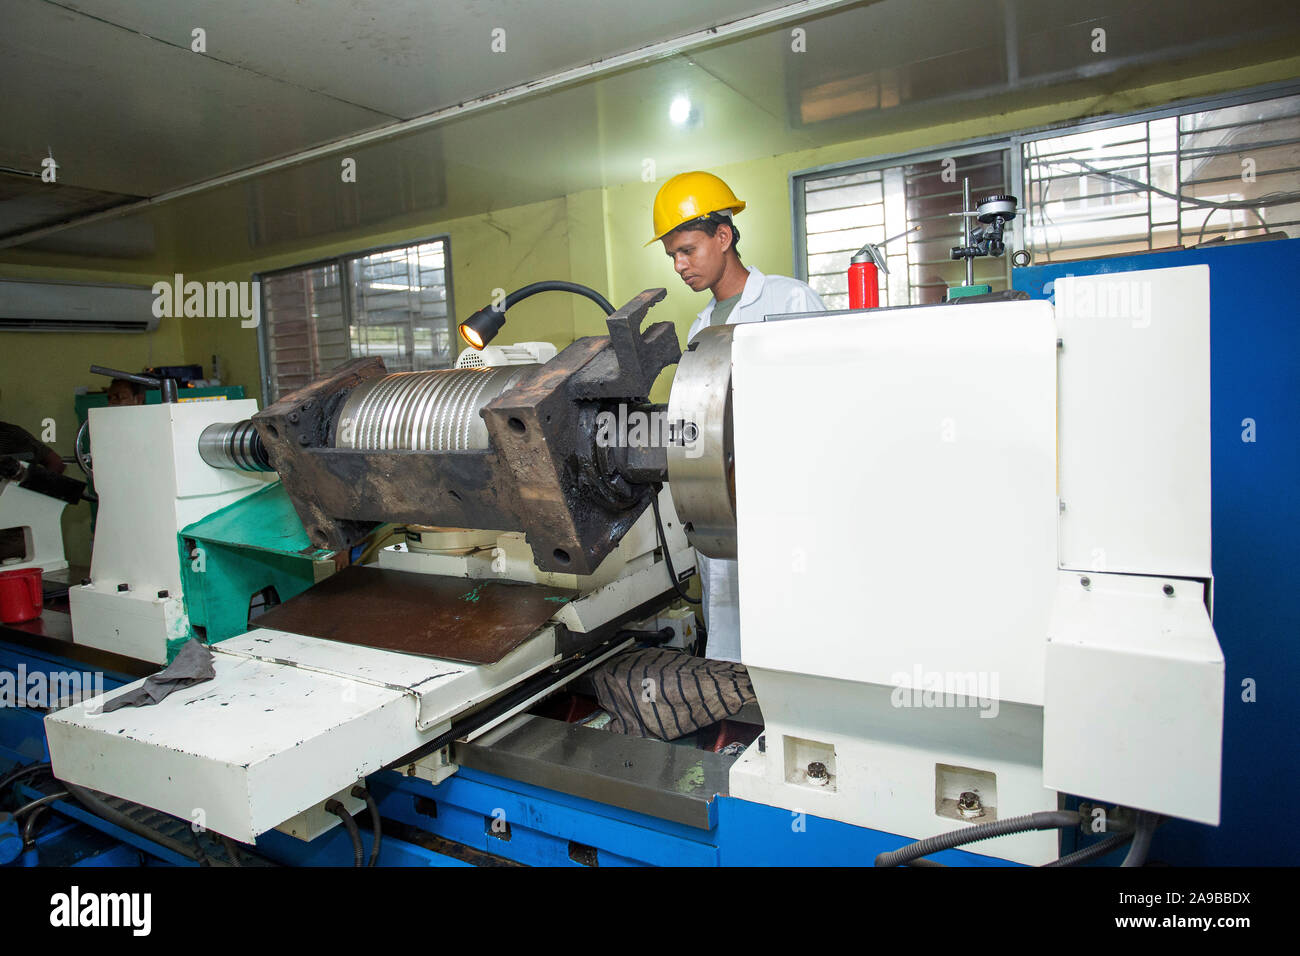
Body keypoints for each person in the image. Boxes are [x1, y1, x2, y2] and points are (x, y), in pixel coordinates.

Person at [649, 171, 827, 663]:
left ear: (723, 236)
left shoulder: (789, 301)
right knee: (730, 633)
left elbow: (825, 403)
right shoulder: (701, 325)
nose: (680, 266)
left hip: (785, 498)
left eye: (687, 250)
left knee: (790, 627)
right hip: (720, 499)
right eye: (672, 256)